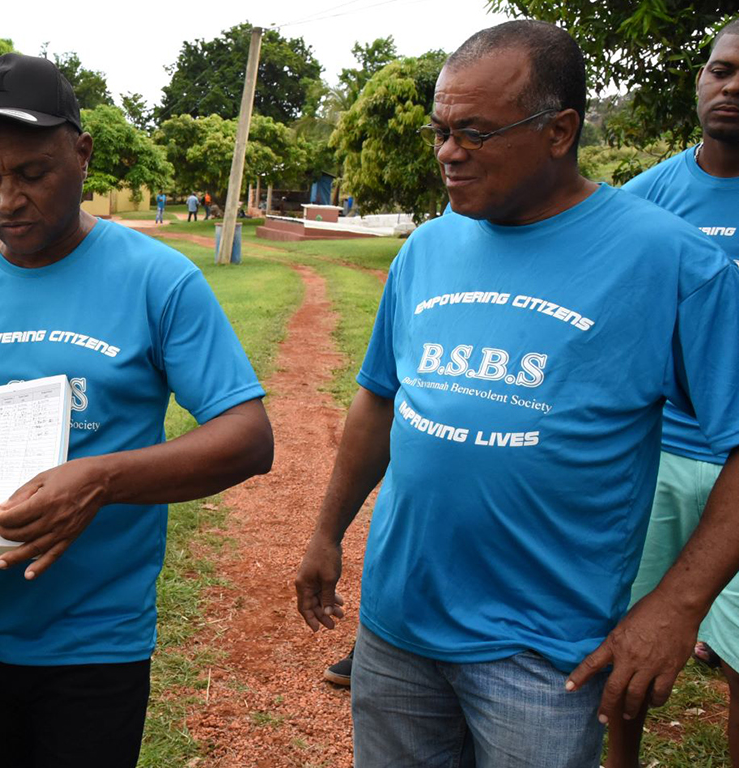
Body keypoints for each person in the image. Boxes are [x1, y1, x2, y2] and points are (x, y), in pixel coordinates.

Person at [293, 21, 739, 767]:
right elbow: (378, 399)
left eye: (474, 131)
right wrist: (325, 531)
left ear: (560, 131)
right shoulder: (428, 247)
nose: (447, 152)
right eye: (439, 130)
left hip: (541, 652)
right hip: (397, 631)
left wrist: (676, 605)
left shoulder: (672, 262)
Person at [0, 52, 274, 767]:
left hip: (97, 644)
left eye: (30, 173)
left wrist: (100, 479)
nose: (5, 199)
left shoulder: (157, 280)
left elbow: (247, 438)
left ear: (81, 154)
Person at [610, 19, 739, 768]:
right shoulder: (648, 199)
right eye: (721, 70)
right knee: (627, 631)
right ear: (701, 79)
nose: (733, 87)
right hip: (658, 452)